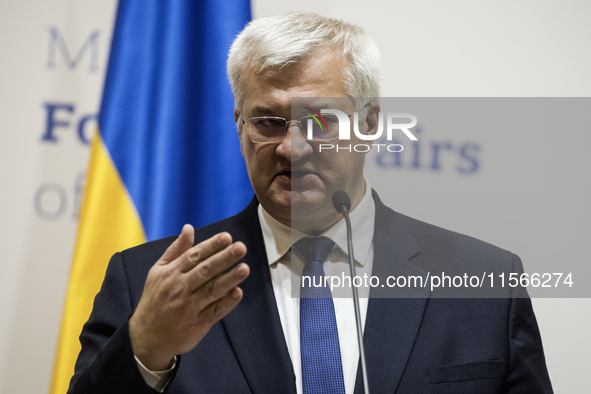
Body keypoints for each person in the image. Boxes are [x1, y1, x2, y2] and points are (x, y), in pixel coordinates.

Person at [68, 12, 553, 393]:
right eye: (268, 122)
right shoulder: (148, 281)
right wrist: (147, 349)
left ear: (369, 125)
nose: (291, 148)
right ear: (239, 125)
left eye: (320, 121)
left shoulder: (486, 282)